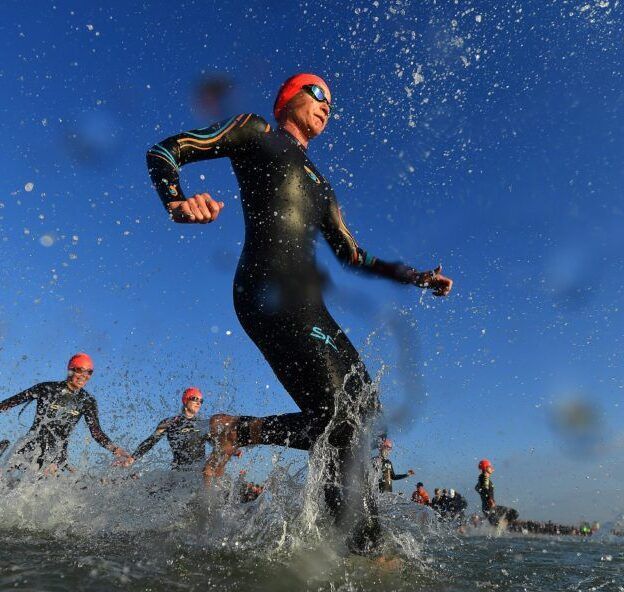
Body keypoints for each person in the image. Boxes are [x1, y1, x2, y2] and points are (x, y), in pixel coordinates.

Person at [146, 73, 453, 553]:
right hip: (267, 291)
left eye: (332, 102)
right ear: (288, 97)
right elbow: (165, 151)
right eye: (318, 94)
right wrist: (176, 201)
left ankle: (240, 430)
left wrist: (418, 278)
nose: (327, 106)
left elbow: (354, 256)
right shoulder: (255, 133)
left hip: (309, 304)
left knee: (362, 413)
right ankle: (363, 552)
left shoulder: (322, 186)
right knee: (340, 419)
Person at [0, 353, 130, 474]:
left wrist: (116, 450)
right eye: (80, 370)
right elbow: (10, 403)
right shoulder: (46, 389)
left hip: (56, 455)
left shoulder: (87, 401)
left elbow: (96, 432)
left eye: (89, 372)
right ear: (71, 369)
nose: (84, 376)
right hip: (31, 446)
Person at [131, 387, 240, 474]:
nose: (199, 403)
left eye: (201, 401)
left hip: (196, 474)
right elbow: (151, 441)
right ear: (186, 400)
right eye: (195, 399)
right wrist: (132, 458)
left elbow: (216, 443)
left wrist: (232, 450)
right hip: (178, 473)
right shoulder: (169, 423)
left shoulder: (202, 424)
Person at [474, 459, 518, 526]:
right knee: (514, 513)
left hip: (487, 508)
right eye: (490, 466)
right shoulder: (484, 478)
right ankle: (504, 527)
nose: (492, 468)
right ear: (486, 468)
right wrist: (490, 499)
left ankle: (502, 527)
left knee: (496, 526)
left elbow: (477, 488)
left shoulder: (482, 478)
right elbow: (485, 489)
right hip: (490, 507)